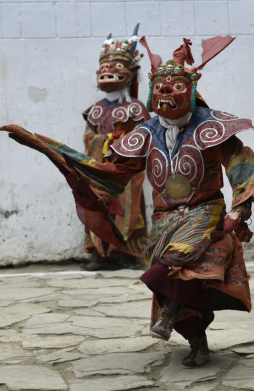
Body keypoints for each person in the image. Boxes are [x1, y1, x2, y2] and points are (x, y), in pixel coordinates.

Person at [0, 35, 254, 368]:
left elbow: (246, 166)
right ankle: (196, 340)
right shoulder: (146, 132)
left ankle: (170, 315)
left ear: (190, 91)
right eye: (160, 86)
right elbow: (113, 171)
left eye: (175, 86)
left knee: (177, 263)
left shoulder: (211, 128)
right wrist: (51, 149)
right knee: (180, 282)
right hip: (164, 219)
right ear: (151, 92)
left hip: (203, 211)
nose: (165, 91)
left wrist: (248, 203)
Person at [80, 24, 150, 271]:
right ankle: (101, 254)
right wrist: (104, 141)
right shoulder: (96, 109)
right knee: (98, 207)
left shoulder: (137, 109)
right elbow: (89, 138)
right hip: (100, 171)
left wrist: (124, 143)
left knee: (131, 208)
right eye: (105, 66)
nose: (108, 70)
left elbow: (146, 137)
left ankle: (134, 253)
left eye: (117, 67)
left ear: (130, 73)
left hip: (127, 173)